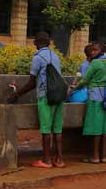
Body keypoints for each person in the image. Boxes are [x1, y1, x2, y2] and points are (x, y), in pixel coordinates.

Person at [7, 32, 65, 169]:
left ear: (35, 43)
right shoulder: (55, 56)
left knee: (46, 129)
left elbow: (32, 82)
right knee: (57, 130)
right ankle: (60, 159)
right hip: (59, 95)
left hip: (46, 96)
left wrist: (17, 94)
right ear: (49, 43)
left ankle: (46, 160)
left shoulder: (38, 58)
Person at [78, 43, 106, 163]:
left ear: (101, 51)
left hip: (95, 97)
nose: (93, 52)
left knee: (96, 128)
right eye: (92, 50)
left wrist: (73, 90)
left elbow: (85, 80)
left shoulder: (94, 63)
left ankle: (95, 156)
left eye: (95, 50)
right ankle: (104, 156)